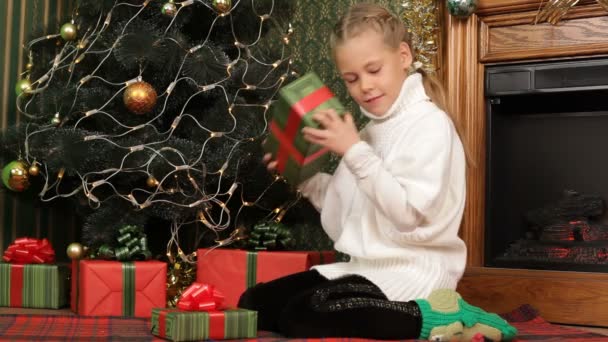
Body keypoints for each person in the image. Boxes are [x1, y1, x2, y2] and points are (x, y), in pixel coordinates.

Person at [239, 3, 517, 341]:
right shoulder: (371, 131)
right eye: (352, 79)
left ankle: (440, 313)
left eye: (374, 70)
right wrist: (303, 176)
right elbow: (348, 214)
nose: (365, 87)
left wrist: (355, 151)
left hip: (415, 273)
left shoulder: (429, 125)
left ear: (403, 56)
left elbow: (406, 216)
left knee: (304, 313)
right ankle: (365, 308)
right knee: (253, 302)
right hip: (364, 269)